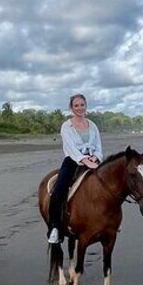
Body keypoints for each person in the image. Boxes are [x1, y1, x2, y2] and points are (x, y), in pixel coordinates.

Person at [47, 94, 103, 244]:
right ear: (71, 108)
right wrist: (84, 160)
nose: (80, 108)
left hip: (92, 160)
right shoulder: (66, 126)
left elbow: (98, 146)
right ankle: (55, 228)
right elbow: (70, 148)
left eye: (82, 105)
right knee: (58, 191)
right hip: (73, 161)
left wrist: (95, 158)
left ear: (86, 106)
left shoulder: (93, 125)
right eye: (76, 105)